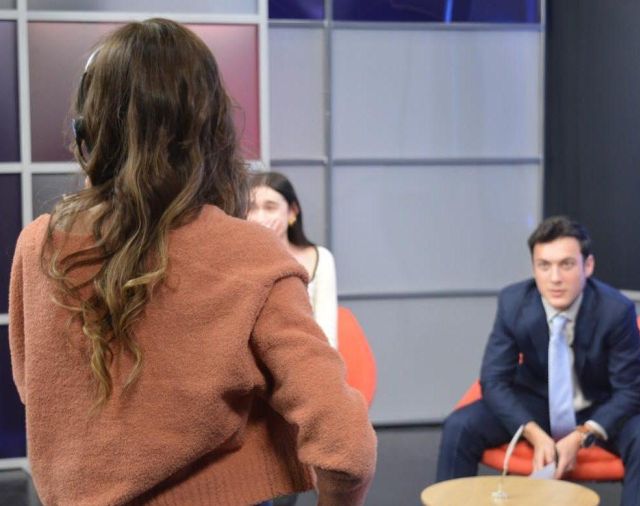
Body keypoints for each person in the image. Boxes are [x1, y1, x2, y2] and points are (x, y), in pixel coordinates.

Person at [8, 18, 375, 506]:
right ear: (212, 131)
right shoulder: (249, 254)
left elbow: (38, 391)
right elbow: (347, 448)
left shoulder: (39, 246)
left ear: (88, 131)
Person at [436, 216, 640, 506]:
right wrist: (533, 432)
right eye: (544, 266)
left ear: (588, 266)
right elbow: (494, 381)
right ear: (534, 268)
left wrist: (582, 435)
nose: (555, 278)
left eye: (566, 264)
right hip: (537, 400)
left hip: (602, 402)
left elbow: (632, 390)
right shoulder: (514, 302)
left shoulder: (616, 311)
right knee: (460, 426)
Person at [247, 172, 338, 349]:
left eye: (270, 207)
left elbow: (328, 338)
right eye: (251, 207)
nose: (259, 218)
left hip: (306, 360)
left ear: (292, 212)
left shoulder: (321, 258)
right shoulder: (238, 260)